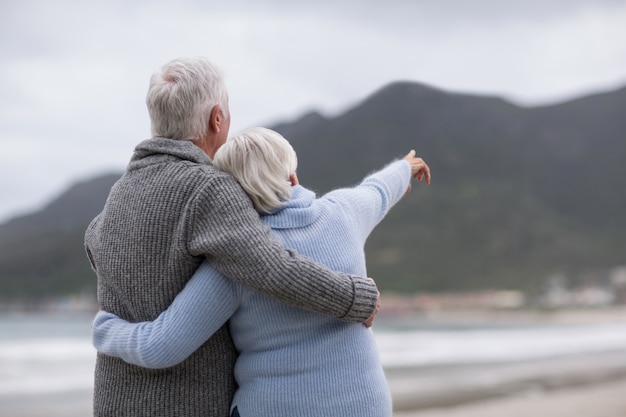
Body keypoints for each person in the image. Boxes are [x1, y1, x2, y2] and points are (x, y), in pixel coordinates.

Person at [84, 58, 381, 417]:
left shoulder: (121, 191)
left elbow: (93, 240)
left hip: (113, 402)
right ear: (216, 119)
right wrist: (357, 298)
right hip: (185, 405)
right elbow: (273, 267)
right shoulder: (210, 189)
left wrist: (114, 320)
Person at [92, 127, 431, 417]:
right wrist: (404, 168)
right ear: (292, 175)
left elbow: (162, 346)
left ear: (234, 193)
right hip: (365, 406)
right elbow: (376, 191)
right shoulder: (343, 212)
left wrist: (106, 330)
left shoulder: (234, 262)